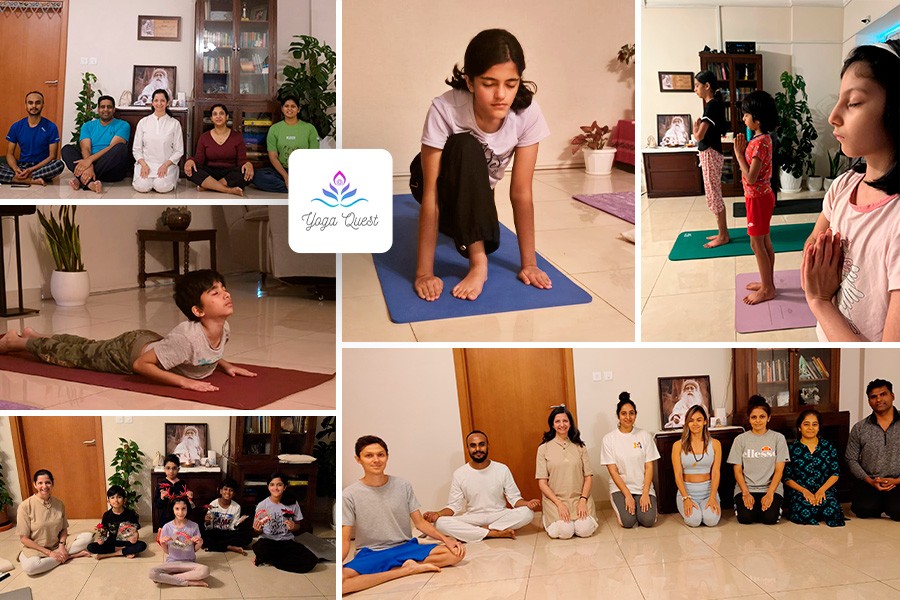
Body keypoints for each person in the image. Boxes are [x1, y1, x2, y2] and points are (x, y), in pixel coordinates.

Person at [410, 28, 552, 303]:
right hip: (432, 182)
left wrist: (529, 263)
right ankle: (479, 265)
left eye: (511, 84)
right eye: (489, 84)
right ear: (470, 82)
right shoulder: (445, 108)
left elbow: (521, 191)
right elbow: (430, 195)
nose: (501, 95)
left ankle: (464, 231)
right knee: (465, 145)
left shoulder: (527, 113)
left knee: (474, 205)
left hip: (475, 194)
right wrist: (423, 273)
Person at [0, 269, 257, 393]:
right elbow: (140, 365)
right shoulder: (187, 337)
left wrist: (225, 364)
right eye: (215, 293)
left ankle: (37, 335)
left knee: (87, 345)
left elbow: (205, 350)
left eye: (224, 289)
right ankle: (18, 343)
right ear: (198, 311)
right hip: (126, 353)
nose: (226, 294)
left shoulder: (223, 328)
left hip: (150, 341)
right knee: (77, 355)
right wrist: (184, 382)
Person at [801, 40, 900, 342]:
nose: (833, 116)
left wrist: (819, 301)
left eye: (854, 102)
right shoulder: (844, 186)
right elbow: (812, 245)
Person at [343, 436, 465, 595]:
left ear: (387, 457)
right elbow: (345, 539)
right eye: (369, 455)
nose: (376, 460)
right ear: (358, 459)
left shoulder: (403, 485)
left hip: (405, 548)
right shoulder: (349, 494)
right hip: (372, 553)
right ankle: (404, 570)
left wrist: (446, 539)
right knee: (341, 583)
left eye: (380, 455)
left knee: (456, 554)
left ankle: (395, 567)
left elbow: (419, 522)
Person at [423, 430, 539, 542]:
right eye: (473, 446)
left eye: (481, 444)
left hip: (499, 514)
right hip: (473, 517)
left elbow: (514, 499)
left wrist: (527, 504)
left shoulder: (502, 469)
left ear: (488, 446)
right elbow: (453, 506)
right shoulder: (459, 474)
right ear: (468, 448)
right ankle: (493, 533)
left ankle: (481, 531)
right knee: (440, 523)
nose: (477, 449)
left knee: (527, 513)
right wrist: (437, 514)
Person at [733, 90, 779, 305]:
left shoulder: (759, 142)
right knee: (764, 242)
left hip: (758, 199)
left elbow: (751, 178)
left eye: (746, 115)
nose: (743, 118)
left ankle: (767, 289)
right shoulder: (762, 138)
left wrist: (738, 155)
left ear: (757, 119)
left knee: (756, 244)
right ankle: (767, 283)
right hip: (761, 197)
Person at [536, 406, 598, 538]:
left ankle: (577, 521)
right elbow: (542, 483)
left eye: (565, 421)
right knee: (566, 531)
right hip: (555, 501)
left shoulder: (580, 447)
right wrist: (559, 504)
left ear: (570, 423)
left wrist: (583, 500)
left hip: (579, 498)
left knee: (585, 530)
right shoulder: (543, 449)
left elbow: (588, 477)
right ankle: (551, 519)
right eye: (557, 421)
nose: (562, 425)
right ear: (552, 424)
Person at [601, 392, 661, 528]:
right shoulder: (609, 439)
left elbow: (649, 467)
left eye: (631, 413)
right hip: (620, 488)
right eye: (624, 414)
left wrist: (645, 493)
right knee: (628, 522)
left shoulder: (644, 436)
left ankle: (640, 508)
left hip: (642, 486)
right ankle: (628, 508)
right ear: (618, 416)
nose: (628, 417)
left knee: (648, 520)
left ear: (635, 415)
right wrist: (627, 495)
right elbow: (613, 471)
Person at [16, 469, 93, 575]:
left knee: (88, 538)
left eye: (47, 482)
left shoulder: (59, 504)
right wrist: (49, 553)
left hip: (57, 545)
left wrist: (61, 546)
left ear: (52, 483)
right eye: (40, 483)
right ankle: (69, 556)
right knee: (31, 568)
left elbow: (64, 529)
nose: (44, 486)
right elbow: (24, 539)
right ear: (35, 485)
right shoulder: (25, 506)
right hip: (36, 548)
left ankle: (59, 556)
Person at [728, 396, 789, 524]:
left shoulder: (778, 438)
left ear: (768, 418)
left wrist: (770, 494)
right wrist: (745, 493)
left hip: (770, 488)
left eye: (762, 417)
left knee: (769, 519)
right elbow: (737, 471)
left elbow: (779, 471)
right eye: (754, 417)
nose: (758, 421)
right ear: (749, 419)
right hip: (746, 488)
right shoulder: (740, 440)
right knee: (746, 519)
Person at [845, 378, 900, 520]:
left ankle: (888, 504)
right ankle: (881, 503)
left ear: (892, 396)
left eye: (883, 394)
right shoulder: (860, 428)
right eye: (873, 397)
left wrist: (896, 481)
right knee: (864, 510)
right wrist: (869, 480)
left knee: (898, 511)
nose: (878, 400)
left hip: (897, 480)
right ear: (869, 401)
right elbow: (851, 459)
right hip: (870, 480)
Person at [783, 409, 845, 527]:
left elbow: (835, 473)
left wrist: (822, 490)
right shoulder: (791, 449)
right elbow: (787, 478)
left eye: (814, 424)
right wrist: (804, 491)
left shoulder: (828, 447)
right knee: (805, 511)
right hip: (800, 492)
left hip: (824, 490)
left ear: (819, 427)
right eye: (806, 424)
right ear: (799, 427)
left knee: (832, 510)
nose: (810, 428)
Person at [61, 94, 131, 193]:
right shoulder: (87, 126)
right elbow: (86, 148)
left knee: (120, 148)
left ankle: (81, 178)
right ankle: (90, 183)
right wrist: (89, 165)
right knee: (67, 149)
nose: (106, 110)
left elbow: (112, 147)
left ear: (114, 110)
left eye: (109, 107)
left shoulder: (123, 125)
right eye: (102, 107)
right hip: (92, 162)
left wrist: (89, 161)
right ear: (98, 109)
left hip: (111, 168)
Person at [251, 473, 318, 572]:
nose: (275, 488)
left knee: (311, 560)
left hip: (286, 541)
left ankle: (270, 559)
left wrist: (293, 526)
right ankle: (272, 558)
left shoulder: (293, 503)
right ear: (268, 487)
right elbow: (258, 531)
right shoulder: (262, 505)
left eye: (279, 485)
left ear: (285, 487)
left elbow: (298, 526)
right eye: (272, 485)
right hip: (268, 541)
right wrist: (257, 530)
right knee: (260, 548)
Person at [252, 95, 318, 193]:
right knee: (258, 176)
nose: (289, 109)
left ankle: (291, 186)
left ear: (298, 109)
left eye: (293, 106)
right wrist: (286, 176)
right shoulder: (274, 129)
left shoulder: (309, 128)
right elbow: (273, 156)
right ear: (282, 109)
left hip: (303, 170)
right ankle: (297, 187)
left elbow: (313, 155)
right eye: (286, 106)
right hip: (282, 170)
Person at [693, 71, 730, 248]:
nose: (695, 89)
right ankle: (722, 232)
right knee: (713, 193)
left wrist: (695, 129)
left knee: (714, 194)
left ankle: (723, 235)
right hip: (710, 153)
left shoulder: (711, 106)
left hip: (710, 153)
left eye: (697, 86)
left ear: (707, 86)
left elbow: (699, 136)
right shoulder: (713, 105)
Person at [185, 103, 253, 196]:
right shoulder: (204, 137)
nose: (218, 116)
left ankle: (208, 186)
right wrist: (190, 161)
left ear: (227, 117)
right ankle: (229, 190)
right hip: (210, 172)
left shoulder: (237, 137)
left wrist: (248, 164)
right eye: (215, 114)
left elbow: (242, 161)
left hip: (229, 173)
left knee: (246, 173)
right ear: (211, 118)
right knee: (191, 170)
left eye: (221, 113)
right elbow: (199, 160)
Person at [0, 91, 65, 185]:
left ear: (42, 105)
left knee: (59, 165)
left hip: (41, 166)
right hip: (22, 166)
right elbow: (9, 154)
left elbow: (52, 156)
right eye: (30, 103)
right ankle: (30, 180)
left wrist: (31, 170)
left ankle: (18, 178)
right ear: (26, 105)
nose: (34, 106)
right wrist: (16, 169)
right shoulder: (16, 126)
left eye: (37, 103)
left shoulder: (51, 127)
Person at [672, 405, 722, 527]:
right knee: (694, 521)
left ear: (705, 422)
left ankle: (704, 510)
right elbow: (678, 475)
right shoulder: (678, 446)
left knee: (711, 521)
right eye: (691, 420)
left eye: (699, 420)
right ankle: (696, 511)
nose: (695, 424)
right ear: (687, 423)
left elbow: (716, 472)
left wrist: (712, 497)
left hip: (708, 492)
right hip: (687, 492)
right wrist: (686, 498)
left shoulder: (715, 444)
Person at [148, 498, 209, 588]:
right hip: (172, 562)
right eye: (177, 509)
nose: (180, 512)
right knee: (152, 573)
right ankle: (189, 582)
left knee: (205, 570)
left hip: (189, 563)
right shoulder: (167, 527)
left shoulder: (194, 526)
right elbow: (167, 552)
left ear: (187, 509)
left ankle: (169, 578)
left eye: (183, 508)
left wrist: (200, 543)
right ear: (172, 509)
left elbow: (194, 550)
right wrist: (163, 543)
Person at [132, 89, 183, 193]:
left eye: (162, 100)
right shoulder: (143, 122)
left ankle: (169, 177)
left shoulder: (174, 123)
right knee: (142, 187)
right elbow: (136, 149)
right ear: (152, 102)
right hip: (146, 164)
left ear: (167, 103)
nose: (159, 103)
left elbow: (178, 150)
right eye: (156, 100)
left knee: (161, 187)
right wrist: (143, 165)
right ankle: (149, 181)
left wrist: (165, 165)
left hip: (166, 165)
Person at [88, 485, 148, 558]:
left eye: (119, 497)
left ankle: (110, 554)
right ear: (108, 501)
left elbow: (135, 532)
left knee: (142, 545)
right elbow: (104, 533)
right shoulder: (106, 515)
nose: (116, 500)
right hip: (112, 542)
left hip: (127, 542)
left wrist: (135, 538)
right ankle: (124, 551)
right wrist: (101, 540)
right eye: (112, 497)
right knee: (91, 547)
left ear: (124, 500)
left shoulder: (130, 514)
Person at [203, 478, 252, 554]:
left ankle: (218, 545)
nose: (228, 492)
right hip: (215, 532)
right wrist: (207, 521)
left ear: (234, 493)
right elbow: (209, 527)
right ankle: (229, 547)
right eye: (225, 489)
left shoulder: (237, 507)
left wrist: (238, 523)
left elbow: (232, 528)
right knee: (203, 537)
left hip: (228, 533)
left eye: (231, 490)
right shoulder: (213, 504)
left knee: (248, 537)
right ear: (220, 491)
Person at [156, 454, 194, 531]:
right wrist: (161, 498)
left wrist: (190, 499)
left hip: (181, 518)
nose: (171, 471)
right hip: (165, 519)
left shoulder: (183, 484)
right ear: (164, 469)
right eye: (168, 468)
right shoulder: (160, 485)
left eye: (174, 468)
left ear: (178, 469)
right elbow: (157, 505)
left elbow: (189, 506)